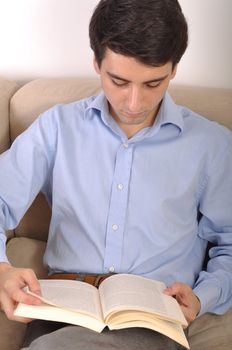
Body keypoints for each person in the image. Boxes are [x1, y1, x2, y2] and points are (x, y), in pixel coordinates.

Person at [0, 0, 232, 349]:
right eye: (119, 81)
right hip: (61, 307)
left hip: (151, 315)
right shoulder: (57, 128)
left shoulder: (212, 145)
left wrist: (203, 296)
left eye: (154, 83)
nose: (134, 103)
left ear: (174, 69)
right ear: (96, 63)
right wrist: (3, 270)